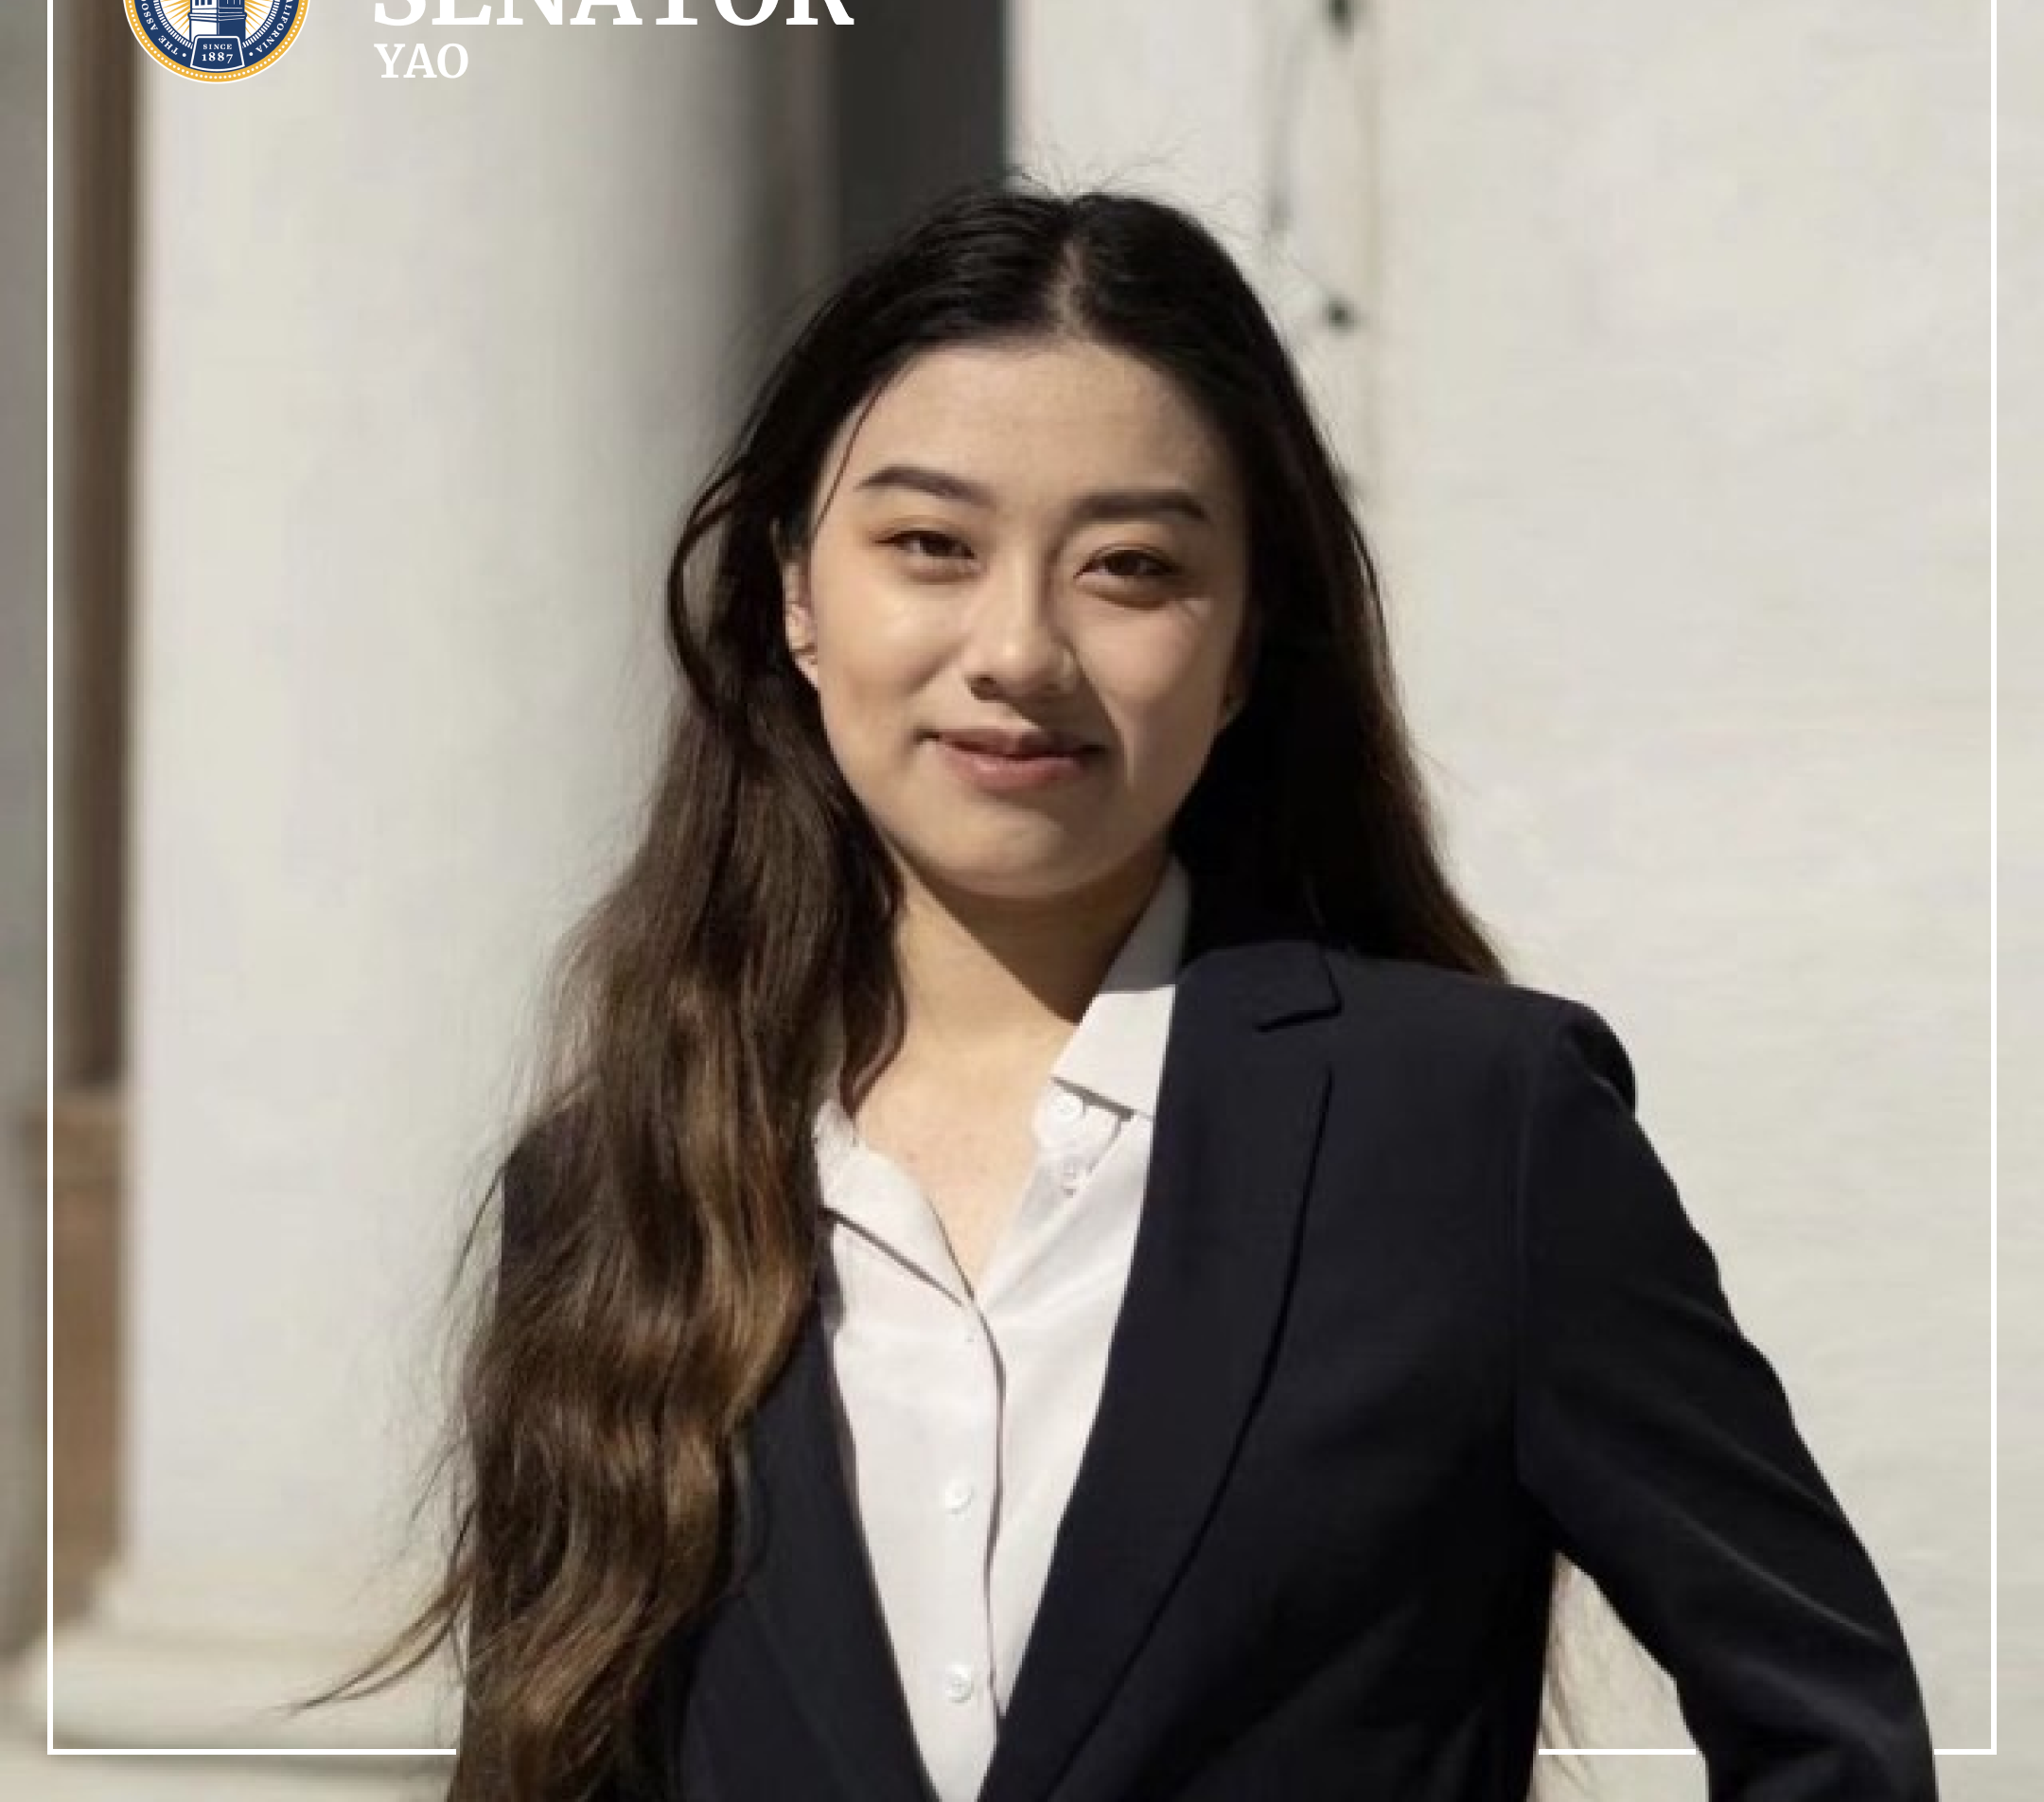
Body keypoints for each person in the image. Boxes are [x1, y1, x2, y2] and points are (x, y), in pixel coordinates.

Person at [316, 181, 1938, 1801]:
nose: (1018, 647)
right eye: (929, 546)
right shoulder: (617, 1181)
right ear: (796, 594)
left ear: (1244, 649)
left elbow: (1827, 1731)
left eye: (1132, 568)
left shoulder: (1471, 1131)